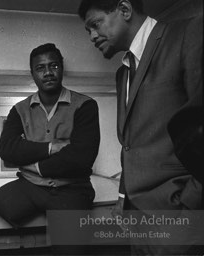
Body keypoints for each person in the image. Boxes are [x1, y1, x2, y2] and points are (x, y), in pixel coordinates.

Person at [78, 0, 203, 254]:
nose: (92, 36)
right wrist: (124, 199)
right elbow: (131, 145)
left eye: (95, 24)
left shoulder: (188, 35)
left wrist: (189, 209)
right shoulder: (122, 73)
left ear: (124, 9)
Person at [0, 43, 100, 232]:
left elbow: (81, 159)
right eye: (40, 68)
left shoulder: (85, 105)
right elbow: (7, 150)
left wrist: (33, 165)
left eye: (53, 66)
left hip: (70, 190)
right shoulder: (19, 109)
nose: (48, 72)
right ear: (32, 73)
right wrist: (52, 148)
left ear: (61, 68)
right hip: (30, 186)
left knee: (70, 250)